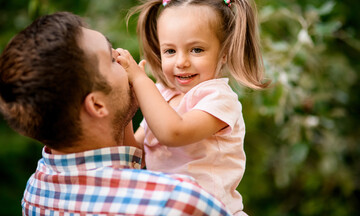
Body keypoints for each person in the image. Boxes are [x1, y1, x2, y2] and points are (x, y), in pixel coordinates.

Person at [0, 12, 233, 215]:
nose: (123, 60)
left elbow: (135, 156)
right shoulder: (175, 201)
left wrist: (126, 110)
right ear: (98, 106)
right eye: (112, 59)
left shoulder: (35, 191)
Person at [116, 0, 270, 216]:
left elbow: (174, 133)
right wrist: (127, 108)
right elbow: (133, 158)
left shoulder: (219, 99)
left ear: (224, 53)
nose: (181, 62)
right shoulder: (162, 95)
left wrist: (140, 80)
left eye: (196, 50)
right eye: (170, 51)